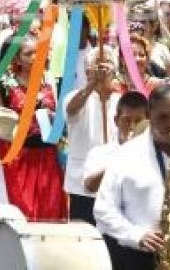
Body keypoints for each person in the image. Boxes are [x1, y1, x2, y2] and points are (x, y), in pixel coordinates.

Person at [94, 84, 170, 269]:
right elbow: (103, 209)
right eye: (163, 117)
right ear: (150, 115)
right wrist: (136, 235)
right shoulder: (125, 155)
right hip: (138, 257)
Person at [0, 35, 66, 221]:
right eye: (29, 53)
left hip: (48, 156)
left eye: (38, 51)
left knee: (50, 212)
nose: (36, 56)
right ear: (17, 58)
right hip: (19, 158)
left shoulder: (50, 80)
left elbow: (60, 117)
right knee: (23, 214)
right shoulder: (4, 85)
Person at [64, 51, 122, 225]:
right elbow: (71, 110)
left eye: (108, 63)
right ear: (88, 70)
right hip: (82, 185)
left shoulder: (121, 102)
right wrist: (93, 84)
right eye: (98, 63)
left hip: (112, 182)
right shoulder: (75, 97)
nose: (103, 68)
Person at [82, 91, 148, 194]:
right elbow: (89, 187)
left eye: (138, 121)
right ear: (116, 120)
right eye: (126, 120)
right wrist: (123, 154)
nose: (132, 127)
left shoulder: (156, 154)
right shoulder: (99, 153)